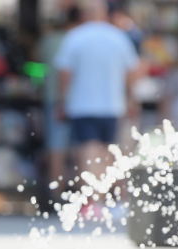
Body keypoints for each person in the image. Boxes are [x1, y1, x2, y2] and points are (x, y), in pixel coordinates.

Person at [54, 0, 139, 179]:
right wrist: (131, 99)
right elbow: (131, 73)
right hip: (112, 106)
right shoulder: (119, 37)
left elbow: (64, 74)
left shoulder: (74, 37)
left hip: (82, 106)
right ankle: (103, 198)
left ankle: (93, 199)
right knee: (107, 152)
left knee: (87, 152)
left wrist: (61, 101)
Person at [39, 7, 79, 201]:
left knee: (56, 148)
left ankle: (57, 194)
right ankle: (79, 194)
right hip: (73, 101)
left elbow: (38, 67)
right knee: (80, 148)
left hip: (54, 99)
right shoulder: (78, 40)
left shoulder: (50, 40)